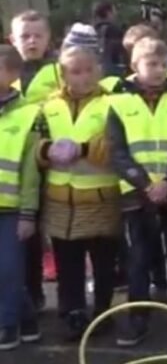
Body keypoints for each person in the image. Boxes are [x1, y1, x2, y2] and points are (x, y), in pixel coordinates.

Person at [107, 37, 167, 347]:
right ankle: (138, 317)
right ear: (135, 66)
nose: (159, 70)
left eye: (164, 64)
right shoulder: (117, 104)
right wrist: (146, 184)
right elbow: (117, 152)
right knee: (138, 260)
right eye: (151, 64)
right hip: (136, 195)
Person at [37, 39, 121, 341]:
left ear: (98, 70)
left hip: (99, 198)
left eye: (88, 70)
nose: (83, 77)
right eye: (75, 71)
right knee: (68, 262)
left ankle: (102, 311)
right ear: (63, 74)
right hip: (61, 201)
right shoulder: (49, 107)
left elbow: (114, 146)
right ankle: (71, 312)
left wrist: (83, 148)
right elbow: (33, 145)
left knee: (102, 262)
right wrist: (46, 151)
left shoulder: (111, 103)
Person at [9, 10, 56, 312]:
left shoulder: (58, 72)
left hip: (52, 164)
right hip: (14, 168)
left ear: (48, 38)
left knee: (44, 231)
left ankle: (38, 291)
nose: (32, 41)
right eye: (25, 36)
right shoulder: (6, 74)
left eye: (38, 35)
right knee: (18, 233)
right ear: (12, 39)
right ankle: (24, 294)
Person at [0, 45, 42, 351]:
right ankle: (26, 319)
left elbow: (31, 172)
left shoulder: (29, 114)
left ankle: (7, 324)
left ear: (13, 74)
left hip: (12, 209)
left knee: (9, 269)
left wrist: (28, 213)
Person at [92, 1, 125, 77]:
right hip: (113, 69)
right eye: (114, 11)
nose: (116, 14)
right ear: (108, 13)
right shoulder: (114, 30)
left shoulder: (93, 30)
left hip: (96, 68)